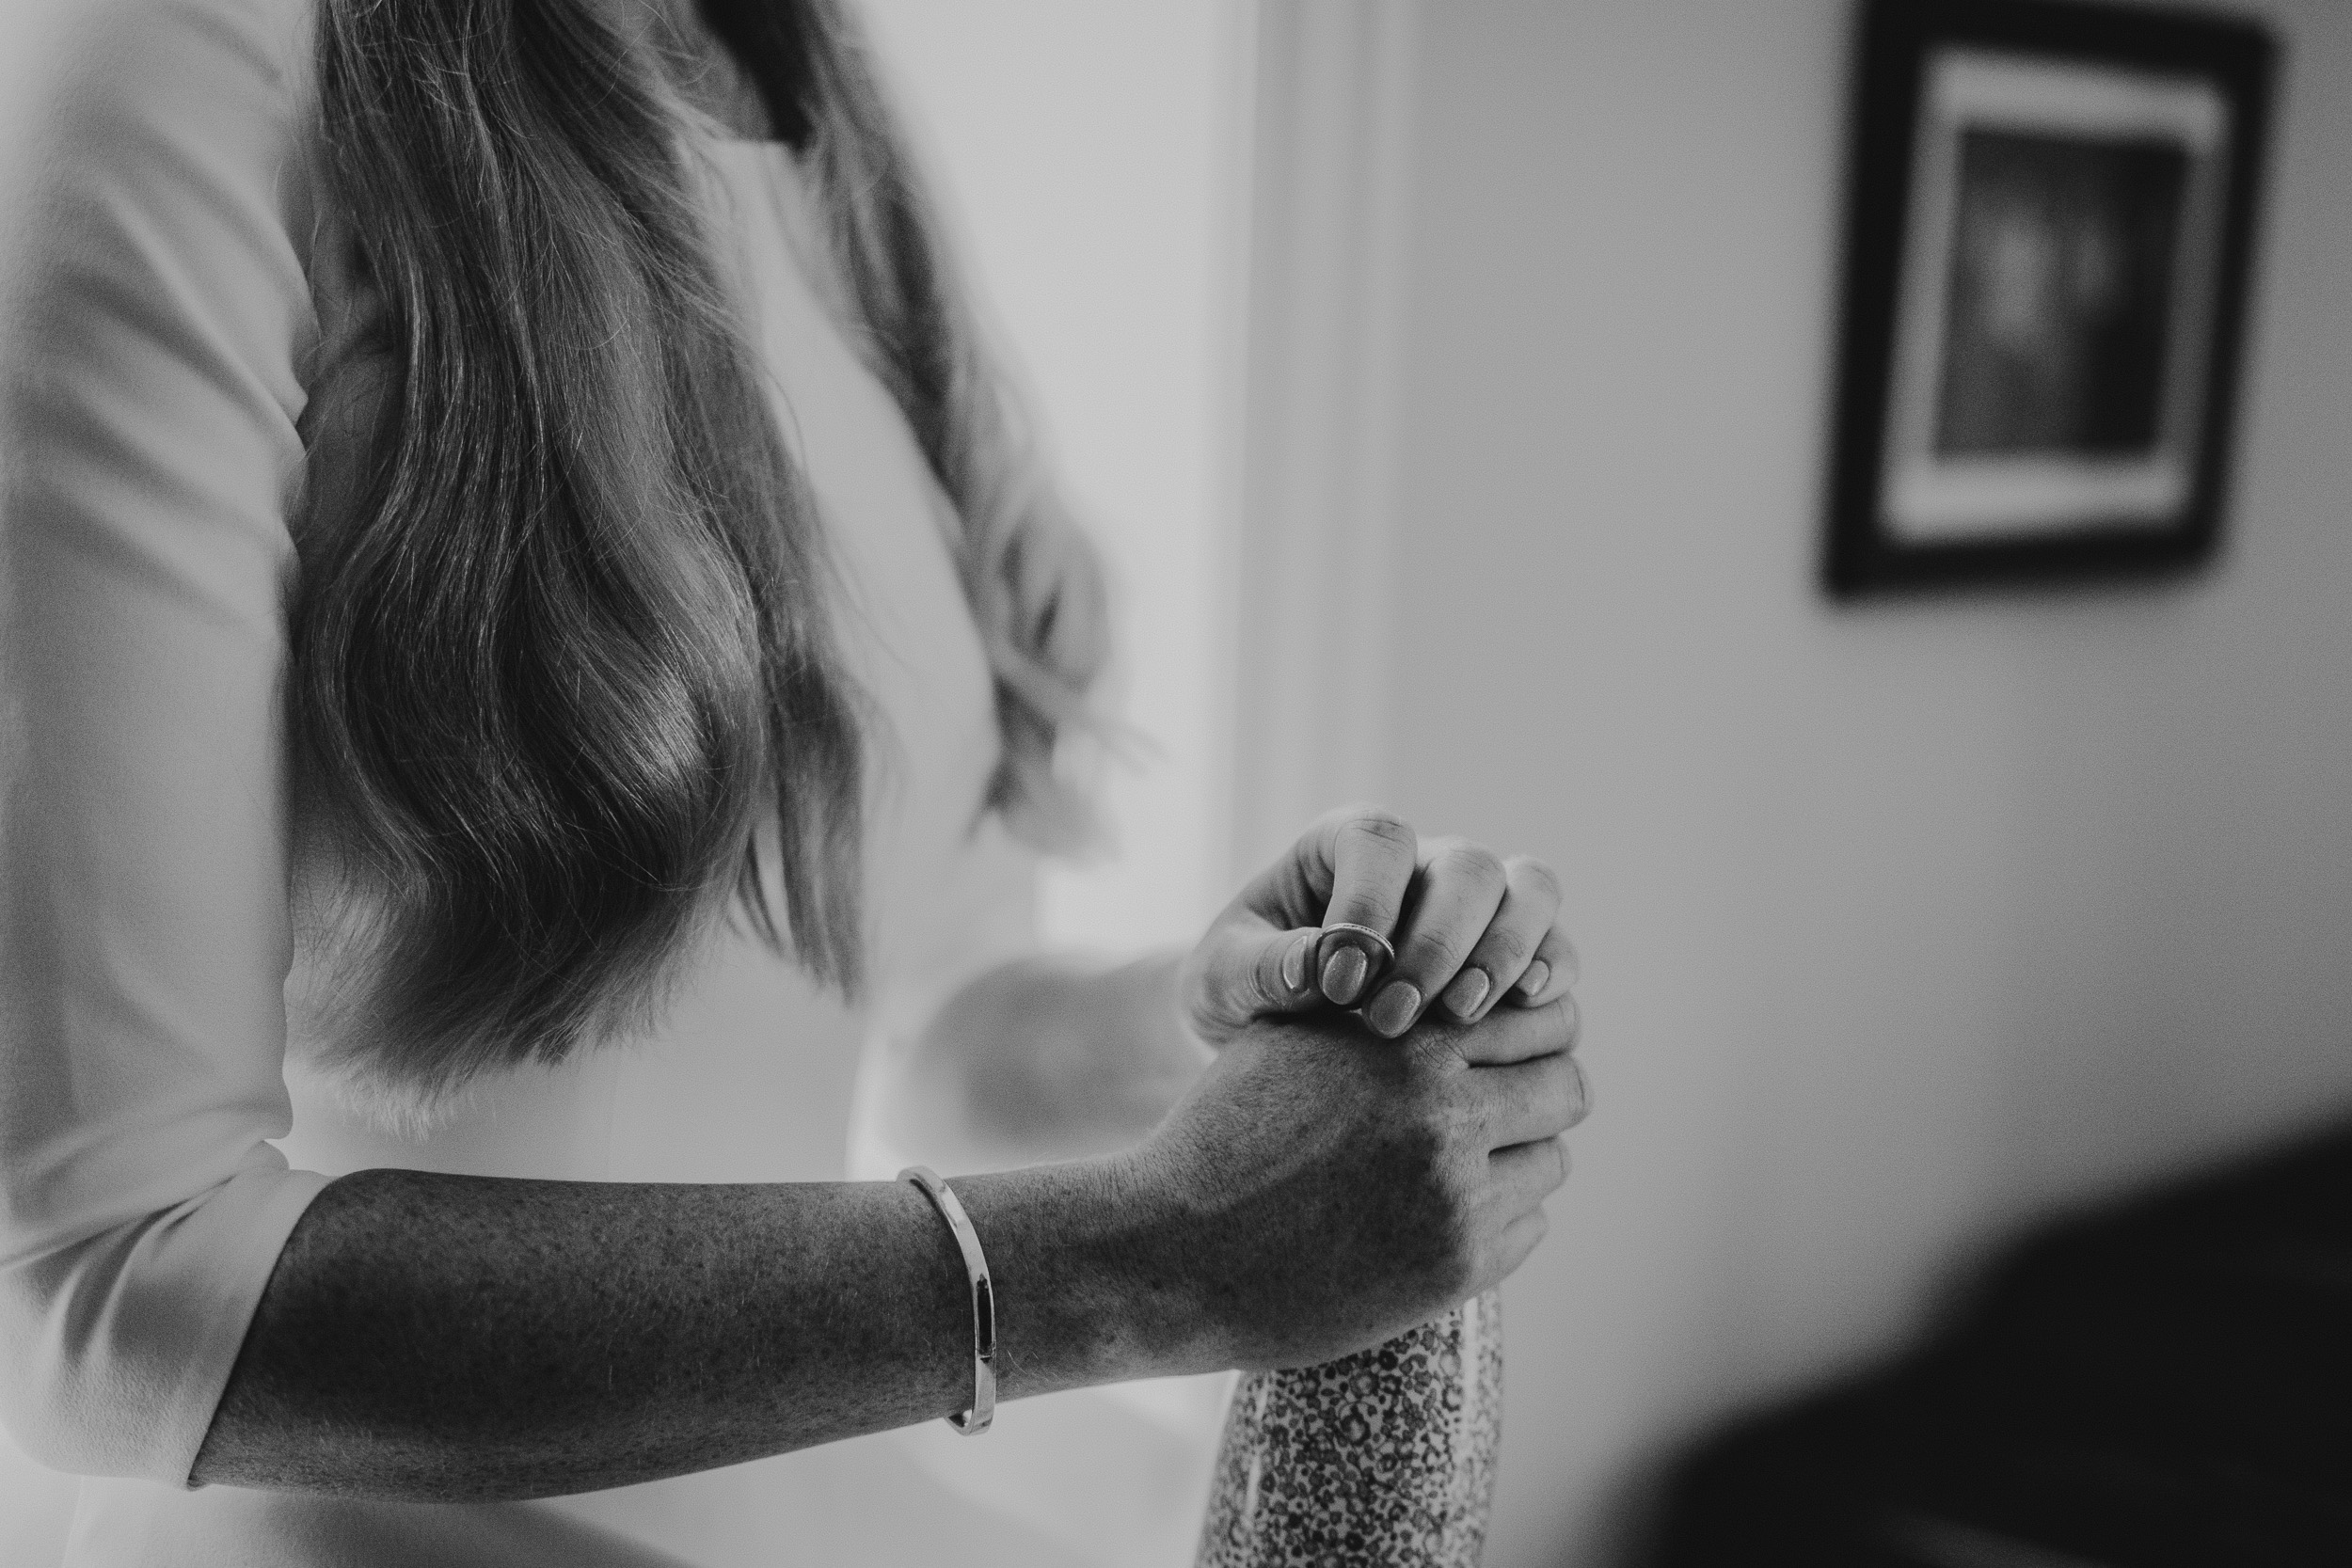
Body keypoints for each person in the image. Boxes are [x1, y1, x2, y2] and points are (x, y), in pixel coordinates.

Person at [0, 0, 1587, 1563]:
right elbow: (112, 1287)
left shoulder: (812, 110)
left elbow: (921, 1036)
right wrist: (1147, 1260)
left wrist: (1229, 1022)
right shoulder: (193, 60)